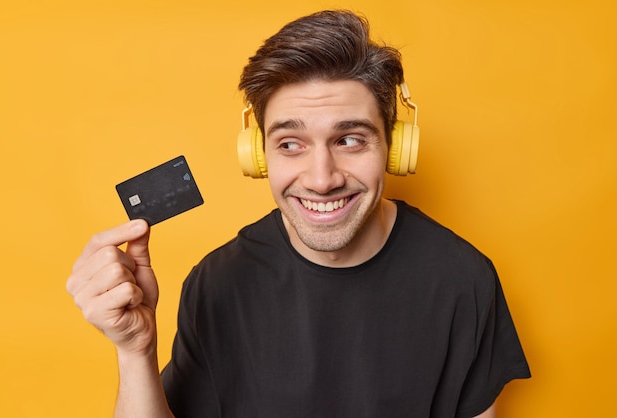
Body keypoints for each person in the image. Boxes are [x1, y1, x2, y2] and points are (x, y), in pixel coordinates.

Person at [67, 9, 530, 418]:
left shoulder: (463, 281)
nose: (321, 178)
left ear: (394, 148)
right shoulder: (215, 283)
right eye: (291, 144)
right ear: (258, 155)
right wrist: (134, 352)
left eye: (349, 139)